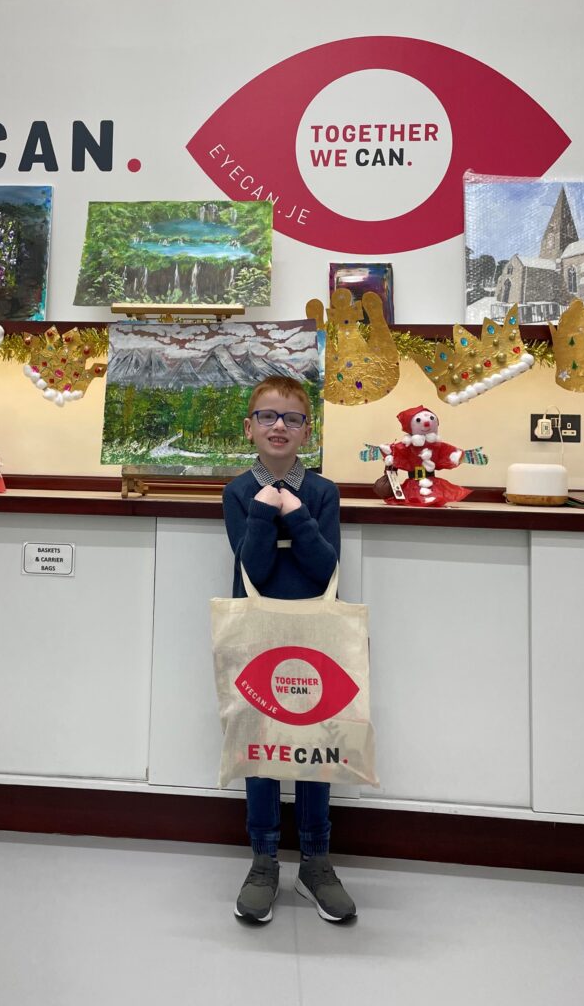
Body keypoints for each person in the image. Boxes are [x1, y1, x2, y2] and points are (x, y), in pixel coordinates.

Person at [222, 375, 356, 924]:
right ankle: (264, 858)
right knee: (260, 747)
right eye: (268, 416)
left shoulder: (323, 492)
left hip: (314, 634)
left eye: (292, 418)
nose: (280, 426)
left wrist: (294, 513)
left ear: (307, 431)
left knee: (315, 746)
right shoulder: (235, 491)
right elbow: (252, 567)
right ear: (250, 426)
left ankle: (317, 861)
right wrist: (261, 509)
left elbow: (325, 568)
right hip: (257, 634)